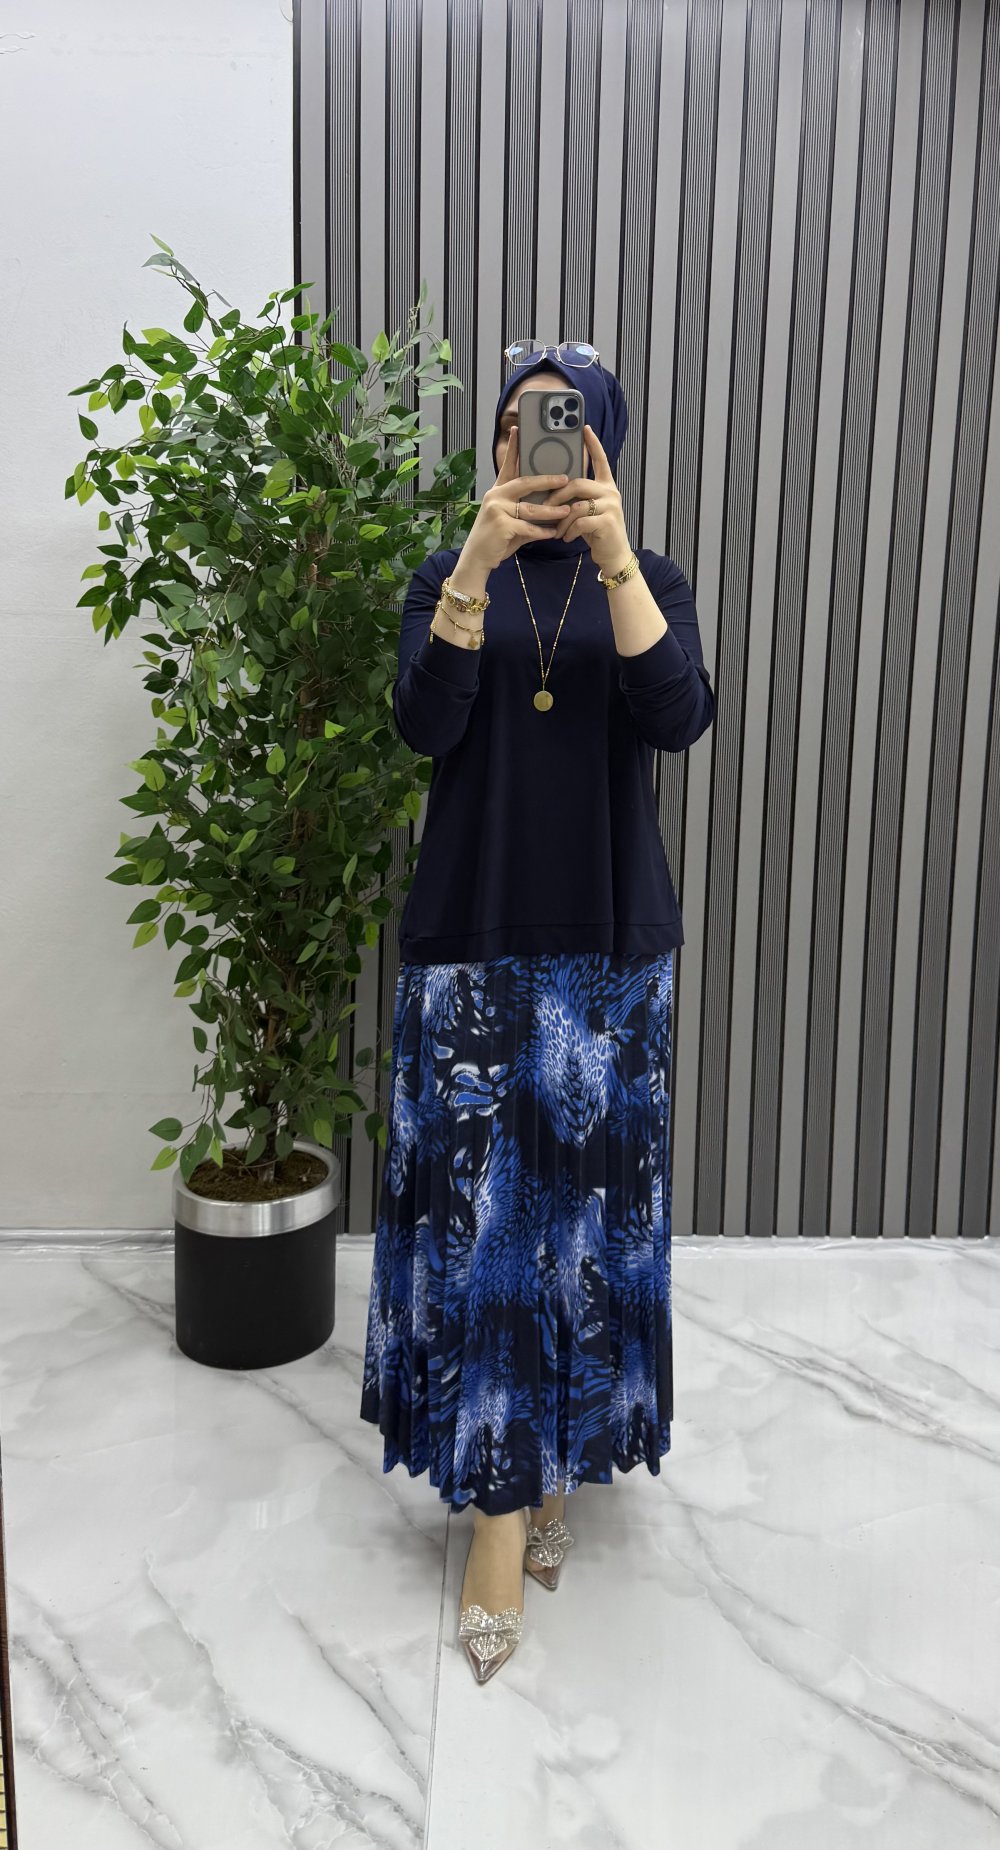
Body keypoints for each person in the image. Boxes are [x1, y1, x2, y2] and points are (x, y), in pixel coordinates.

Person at [360, 345, 714, 1683]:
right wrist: (471, 560)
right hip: (474, 937)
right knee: (484, 1232)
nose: (538, 445)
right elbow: (423, 725)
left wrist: (616, 555)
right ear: (498, 445)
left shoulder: (649, 579)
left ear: (603, 439)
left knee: (582, 1225)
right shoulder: (446, 575)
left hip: (610, 952)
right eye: (519, 425)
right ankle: (500, 1516)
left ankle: (554, 1456)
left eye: (565, 425)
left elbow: (677, 718)